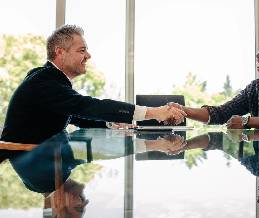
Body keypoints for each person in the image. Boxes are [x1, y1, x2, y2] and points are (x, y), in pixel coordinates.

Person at [0, 25, 186, 144]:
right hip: (23, 161)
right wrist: (155, 112)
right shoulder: (45, 82)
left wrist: (113, 123)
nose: (88, 56)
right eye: (82, 50)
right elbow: (88, 106)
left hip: (36, 159)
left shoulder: (48, 78)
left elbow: (76, 115)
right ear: (60, 52)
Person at [169, 29, 259, 129]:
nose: (258, 55)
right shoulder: (255, 88)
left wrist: (246, 121)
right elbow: (221, 113)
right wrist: (183, 110)